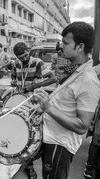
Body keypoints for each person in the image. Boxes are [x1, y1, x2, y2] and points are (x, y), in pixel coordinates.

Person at [33, 22, 100, 179]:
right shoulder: (76, 70)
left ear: (80, 47)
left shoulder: (88, 80)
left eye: (65, 42)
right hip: (53, 139)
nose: (61, 46)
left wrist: (48, 108)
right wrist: (44, 103)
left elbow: (82, 126)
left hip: (60, 144)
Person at [11, 42, 56, 179]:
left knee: (34, 136)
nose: (23, 59)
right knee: (21, 135)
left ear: (28, 51)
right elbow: (14, 81)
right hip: (20, 104)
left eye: (25, 55)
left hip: (34, 105)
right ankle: (28, 166)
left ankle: (38, 163)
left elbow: (53, 78)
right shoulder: (15, 64)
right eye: (20, 57)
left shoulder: (38, 62)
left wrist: (34, 86)